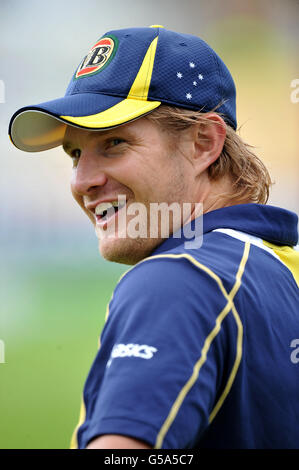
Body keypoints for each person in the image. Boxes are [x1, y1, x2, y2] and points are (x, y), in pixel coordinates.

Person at [9, 26, 299, 450]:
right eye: (74, 154)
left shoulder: (178, 280)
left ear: (203, 143)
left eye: (114, 143)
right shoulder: (280, 267)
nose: (82, 182)